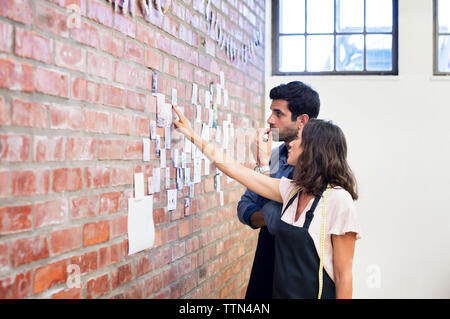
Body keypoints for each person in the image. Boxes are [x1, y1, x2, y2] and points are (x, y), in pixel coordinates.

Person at [172, 105, 361, 299]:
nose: (291, 144)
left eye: (298, 139)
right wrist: (191, 134)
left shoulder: (338, 200)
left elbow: (343, 276)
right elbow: (235, 170)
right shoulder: (291, 190)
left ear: (313, 149)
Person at [237, 81, 321, 299]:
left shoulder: (318, 166)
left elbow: (276, 221)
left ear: (302, 120)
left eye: (278, 113)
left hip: (297, 270)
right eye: (270, 111)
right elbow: (244, 207)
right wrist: (270, 214)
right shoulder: (273, 156)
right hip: (266, 260)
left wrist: (269, 215)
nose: (269, 120)